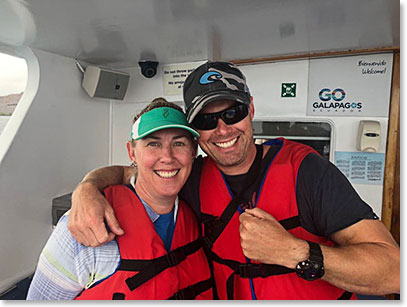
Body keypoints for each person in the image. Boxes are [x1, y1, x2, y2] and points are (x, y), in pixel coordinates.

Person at [68, 62, 400, 300]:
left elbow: (392, 271)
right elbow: (132, 173)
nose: (223, 129)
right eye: (208, 120)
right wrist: (87, 188)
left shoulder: (308, 173)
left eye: (232, 113)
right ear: (197, 132)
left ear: (251, 109)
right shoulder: (190, 176)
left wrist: (294, 251)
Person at [27, 98, 213, 300]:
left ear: (193, 152)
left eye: (178, 143)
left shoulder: (197, 207)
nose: (167, 157)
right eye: (153, 143)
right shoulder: (85, 225)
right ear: (132, 152)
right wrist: (87, 187)